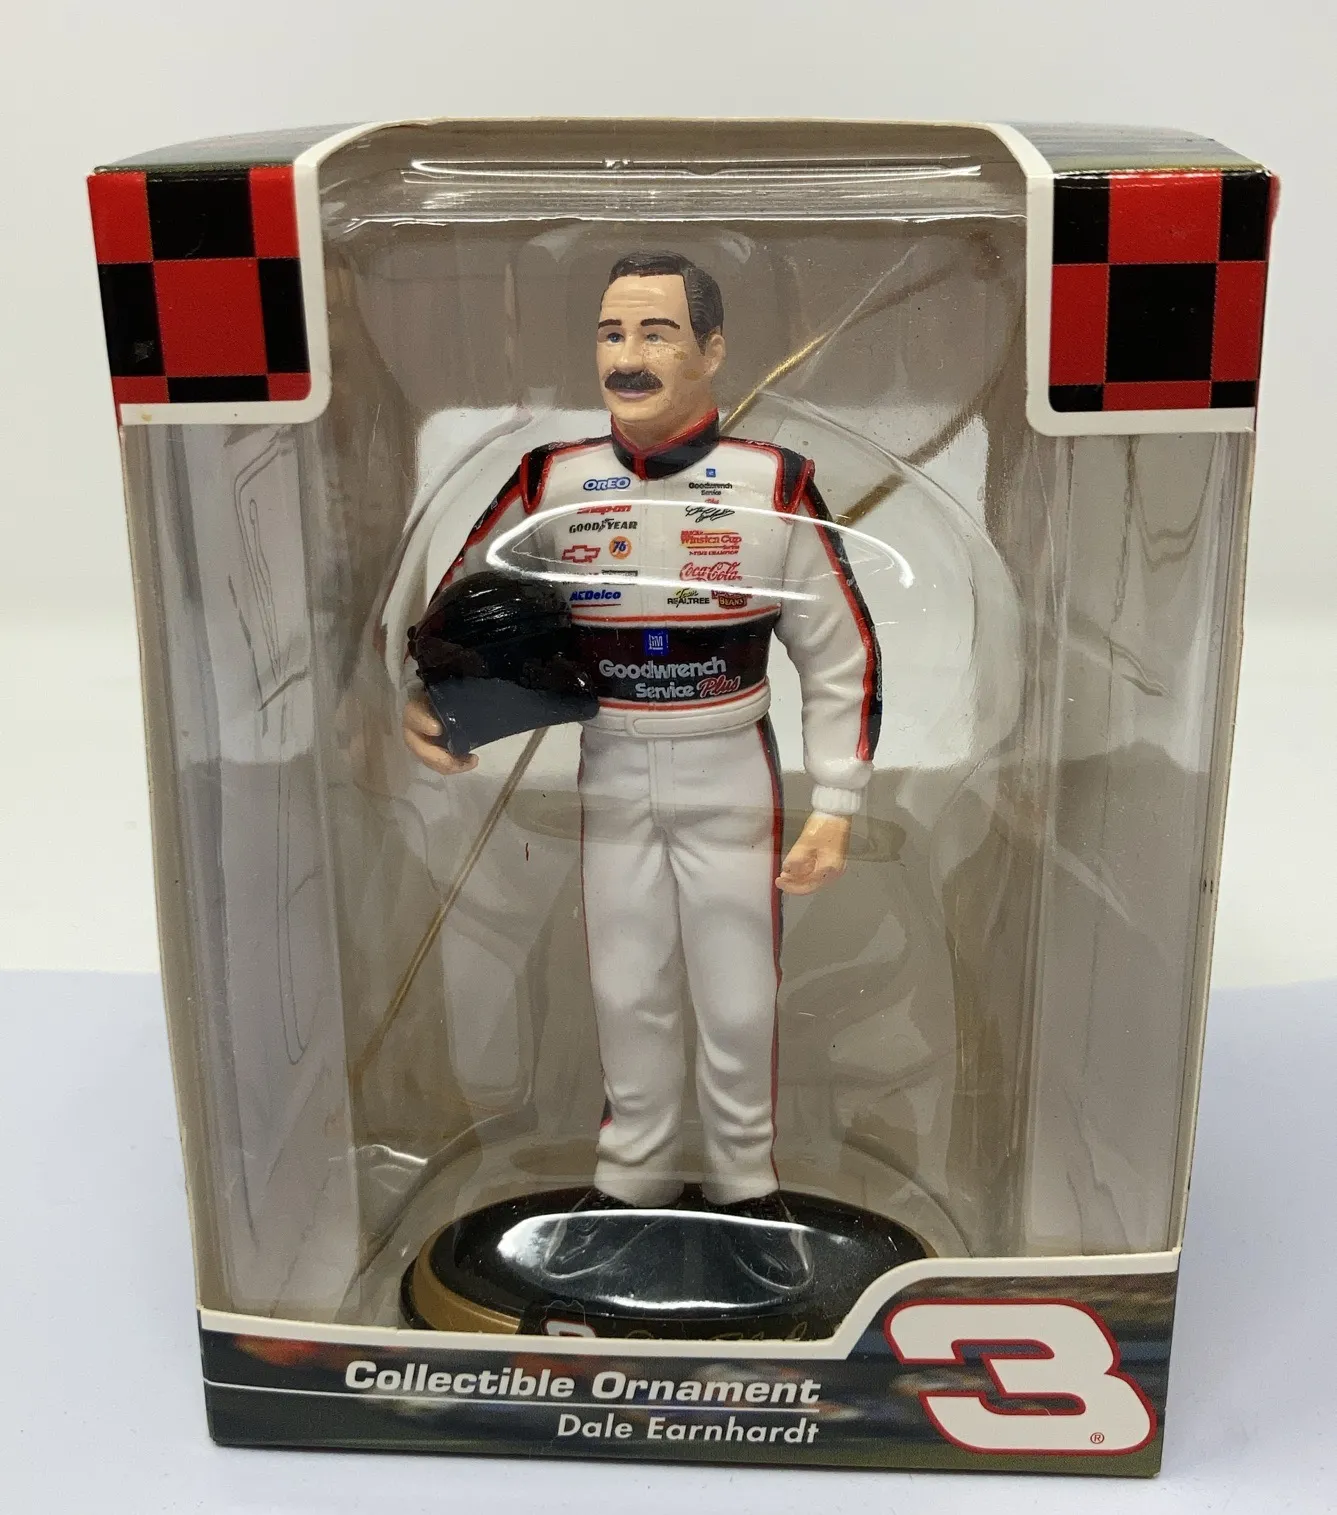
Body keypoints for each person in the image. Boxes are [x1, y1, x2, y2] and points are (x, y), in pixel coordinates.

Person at [403, 252, 880, 1285]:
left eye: (656, 333)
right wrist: (437, 699)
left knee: (737, 991)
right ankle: (631, 1183)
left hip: (728, 762)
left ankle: (745, 1188)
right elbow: (462, 604)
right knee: (625, 986)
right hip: (611, 760)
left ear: (711, 349)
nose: (627, 355)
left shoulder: (774, 483)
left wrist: (836, 803)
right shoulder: (552, 479)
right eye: (611, 332)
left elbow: (839, 651)